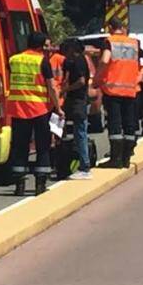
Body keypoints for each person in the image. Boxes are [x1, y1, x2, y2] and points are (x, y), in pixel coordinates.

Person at [7, 32, 63, 196]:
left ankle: (19, 185)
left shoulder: (13, 59)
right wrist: (58, 108)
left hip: (17, 108)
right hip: (39, 109)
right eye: (46, 45)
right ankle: (40, 183)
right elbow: (51, 87)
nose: (48, 49)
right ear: (39, 46)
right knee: (43, 146)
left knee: (19, 146)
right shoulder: (42, 61)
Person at [96, 18, 143, 168]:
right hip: (131, 90)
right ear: (123, 27)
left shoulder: (109, 42)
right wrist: (139, 78)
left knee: (115, 125)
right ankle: (126, 158)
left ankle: (115, 159)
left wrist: (97, 78)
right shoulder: (133, 43)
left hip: (113, 91)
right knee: (129, 126)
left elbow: (105, 60)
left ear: (110, 27)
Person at [61, 38, 92, 180]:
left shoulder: (79, 61)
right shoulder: (77, 61)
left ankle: (84, 167)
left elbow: (81, 81)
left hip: (78, 100)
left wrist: (65, 89)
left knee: (80, 132)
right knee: (76, 131)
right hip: (76, 100)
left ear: (73, 50)